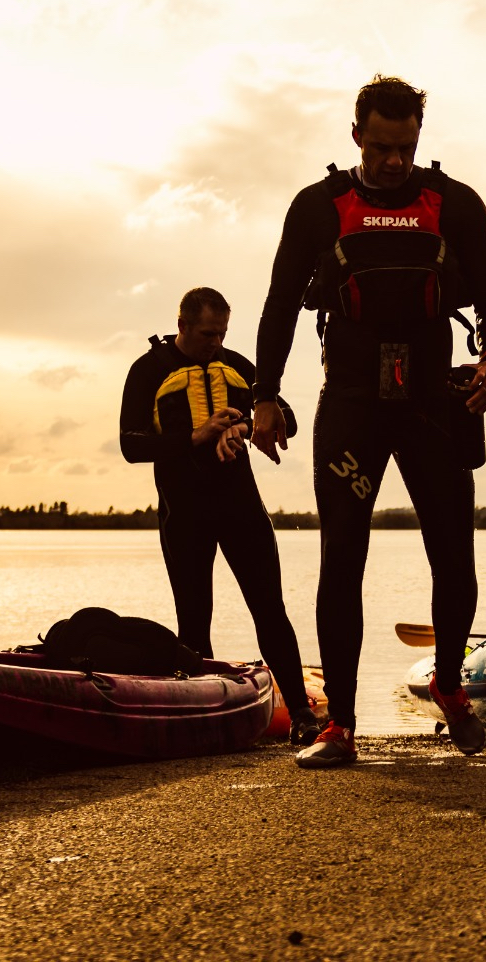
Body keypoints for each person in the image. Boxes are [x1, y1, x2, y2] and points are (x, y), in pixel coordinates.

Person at [251, 75, 486, 768]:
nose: (395, 161)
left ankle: (449, 685)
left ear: (418, 140)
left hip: (434, 398)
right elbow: (279, 304)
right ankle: (339, 724)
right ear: (357, 134)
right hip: (351, 401)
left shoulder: (455, 203)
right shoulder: (318, 207)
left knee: (453, 555)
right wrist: (266, 395)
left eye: (407, 147)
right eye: (383, 146)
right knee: (342, 557)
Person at [119, 287, 317, 744]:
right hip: (183, 511)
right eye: (209, 333)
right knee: (193, 620)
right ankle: (201, 723)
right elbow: (131, 445)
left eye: (223, 332)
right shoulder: (148, 369)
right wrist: (197, 435)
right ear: (183, 325)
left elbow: (285, 414)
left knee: (271, 611)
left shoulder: (238, 366)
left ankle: (304, 716)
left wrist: (244, 427)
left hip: (240, 506)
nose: (216, 341)